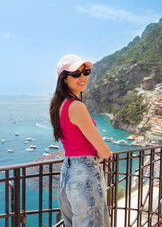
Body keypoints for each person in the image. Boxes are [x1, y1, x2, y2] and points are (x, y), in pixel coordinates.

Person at [49, 54, 113, 226]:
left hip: (67, 173)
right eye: (76, 74)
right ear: (64, 79)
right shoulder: (76, 106)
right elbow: (104, 150)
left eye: (85, 72)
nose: (83, 77)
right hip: (85, 172)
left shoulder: (58, 105)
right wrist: (103, 153)